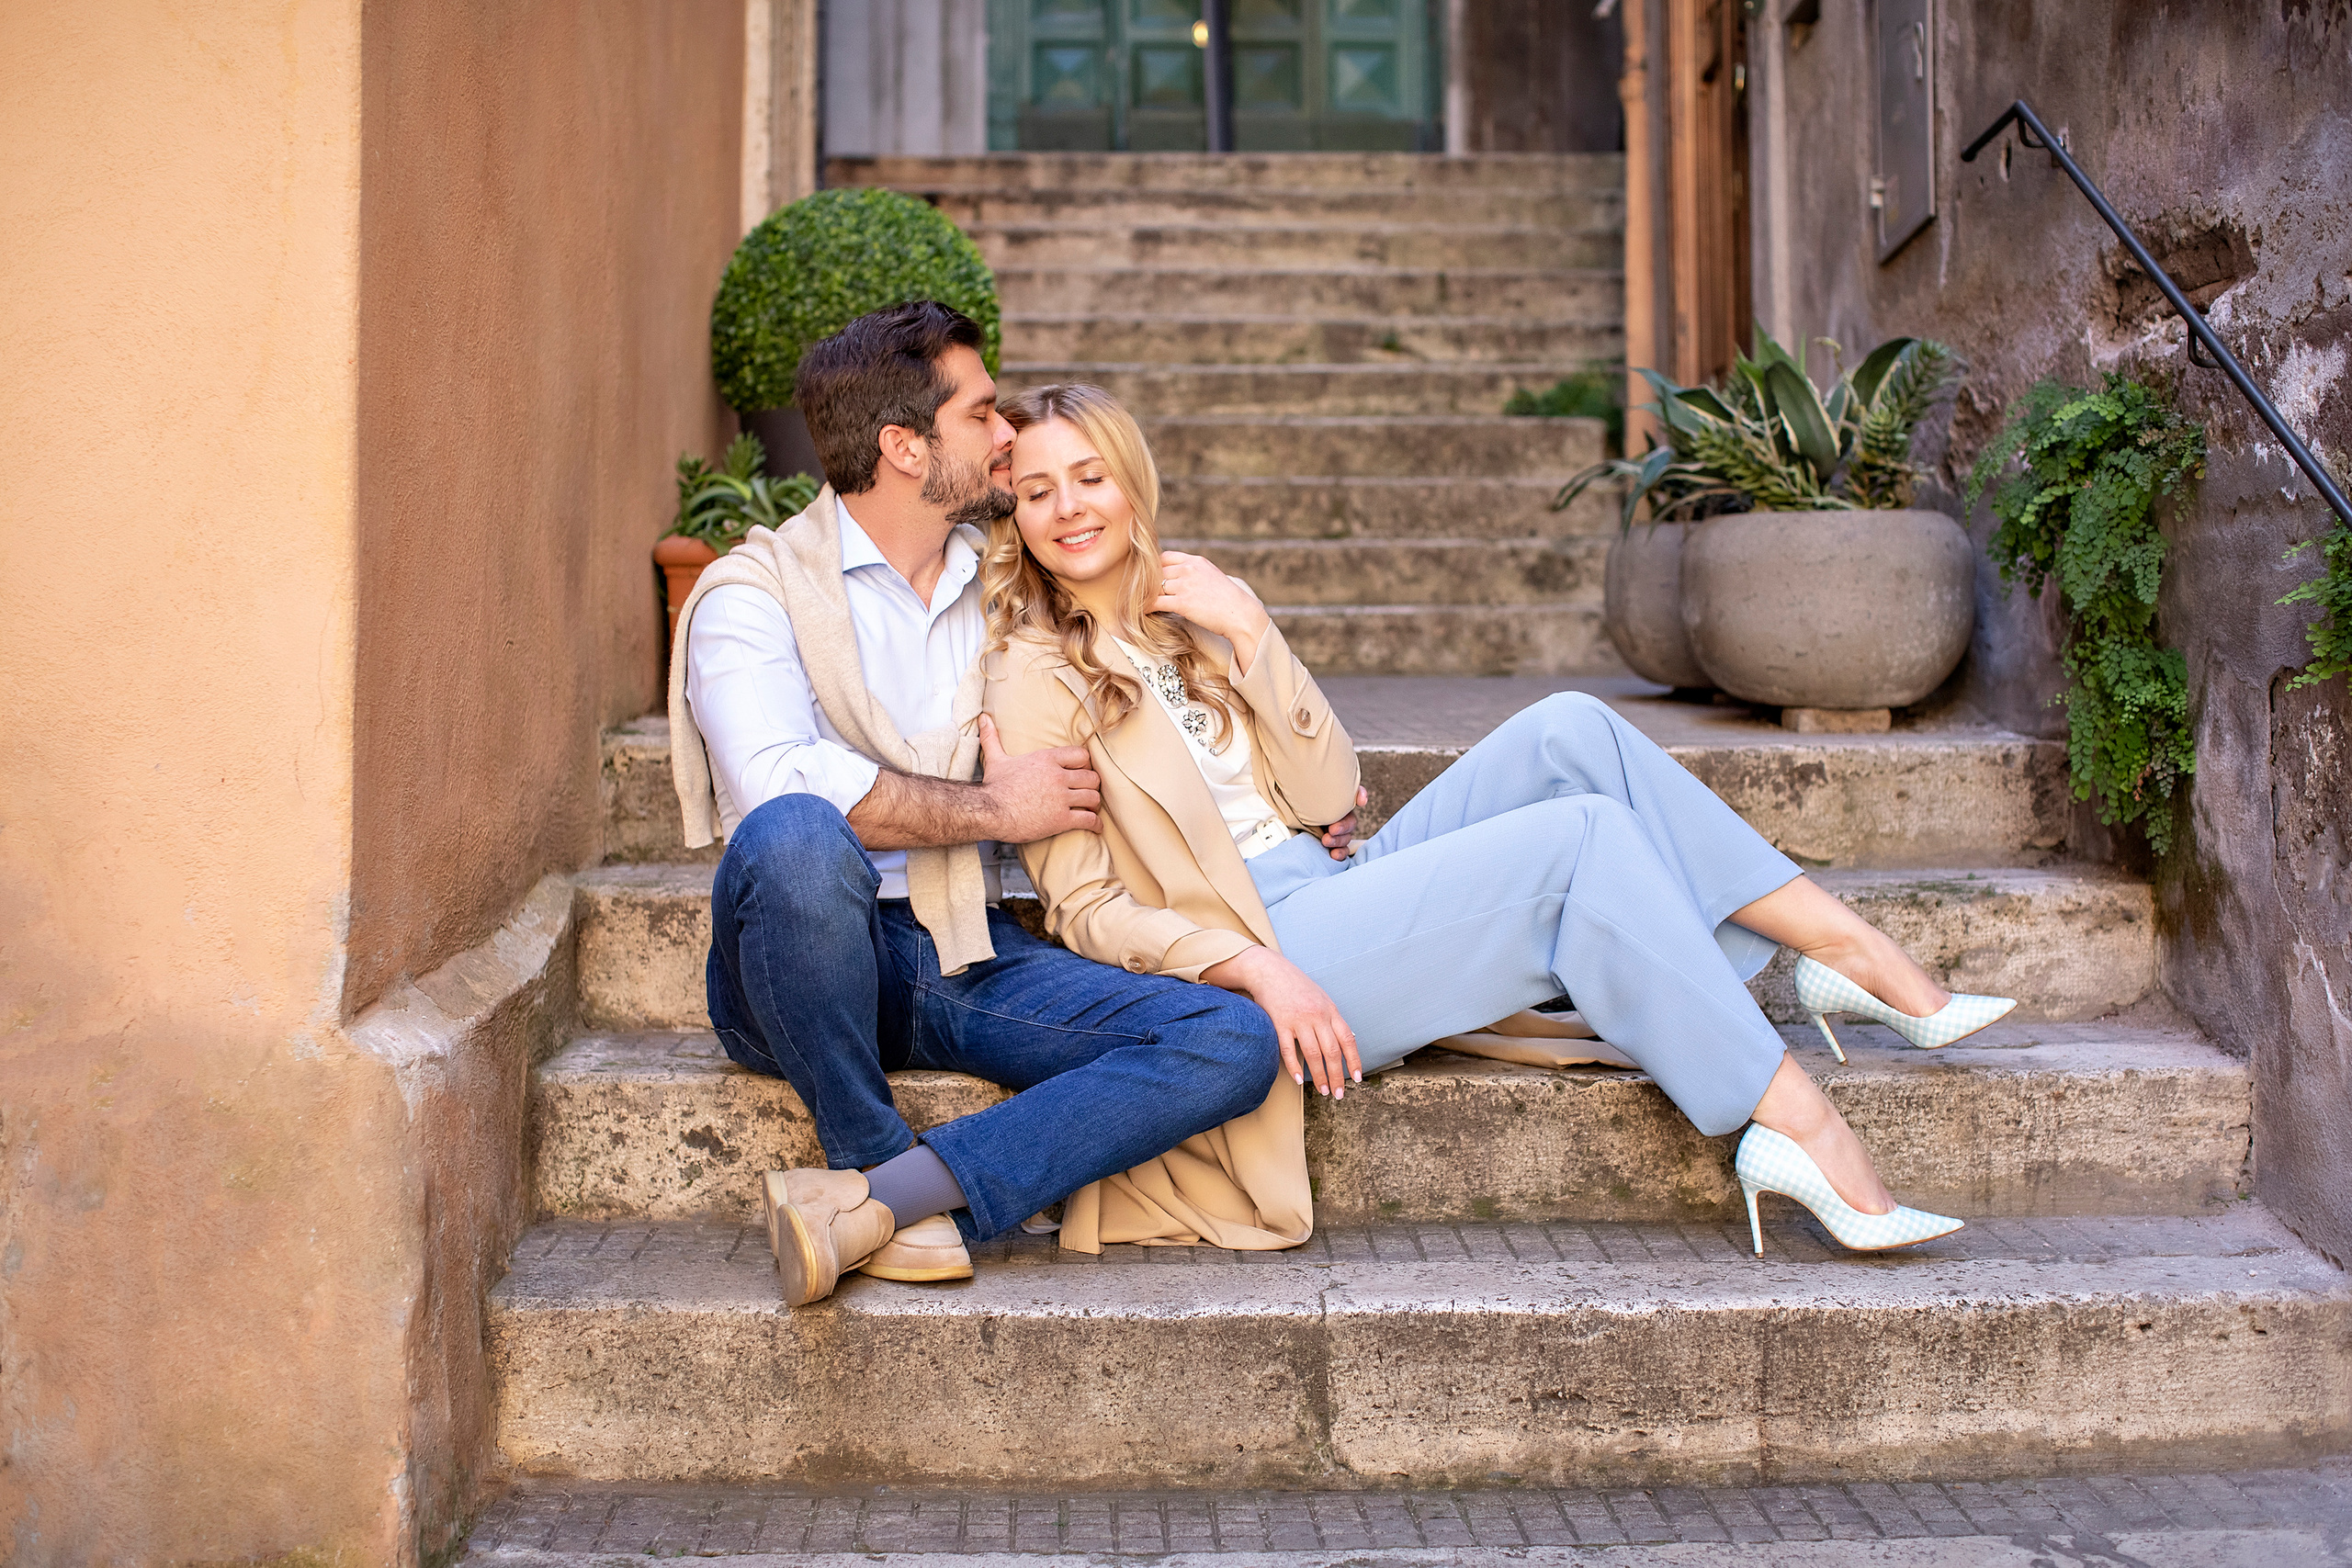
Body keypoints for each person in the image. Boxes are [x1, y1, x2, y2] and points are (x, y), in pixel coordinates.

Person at [978, 383, 2020, 1257]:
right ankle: (1800, 1123)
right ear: (1014, 516)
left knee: (1571, 727)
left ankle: (1847, 951)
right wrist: (1248, 969)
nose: (1069, 508)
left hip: (1331, 883)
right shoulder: (1031, 674)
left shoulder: (1194, 613)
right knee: (1577, 845)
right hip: (1260, 953)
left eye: (1089, 477)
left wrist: (1251, 632)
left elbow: (1329, 797)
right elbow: (1085, 912)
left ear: (1132, 485)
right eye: (1036, 490)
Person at [668, 306, 1326, 1308]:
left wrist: (1272, 793)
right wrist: (991, 808)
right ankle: (869, 1149)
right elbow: (775, 784)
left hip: (966, 948)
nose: (1007, 436)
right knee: (796, 836)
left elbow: (1140, 704)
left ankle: (883, 1202)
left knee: (1230, 1039)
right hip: (795, 967)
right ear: (903, 447)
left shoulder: (1009, 587)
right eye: (981, 415)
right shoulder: (750, 595)